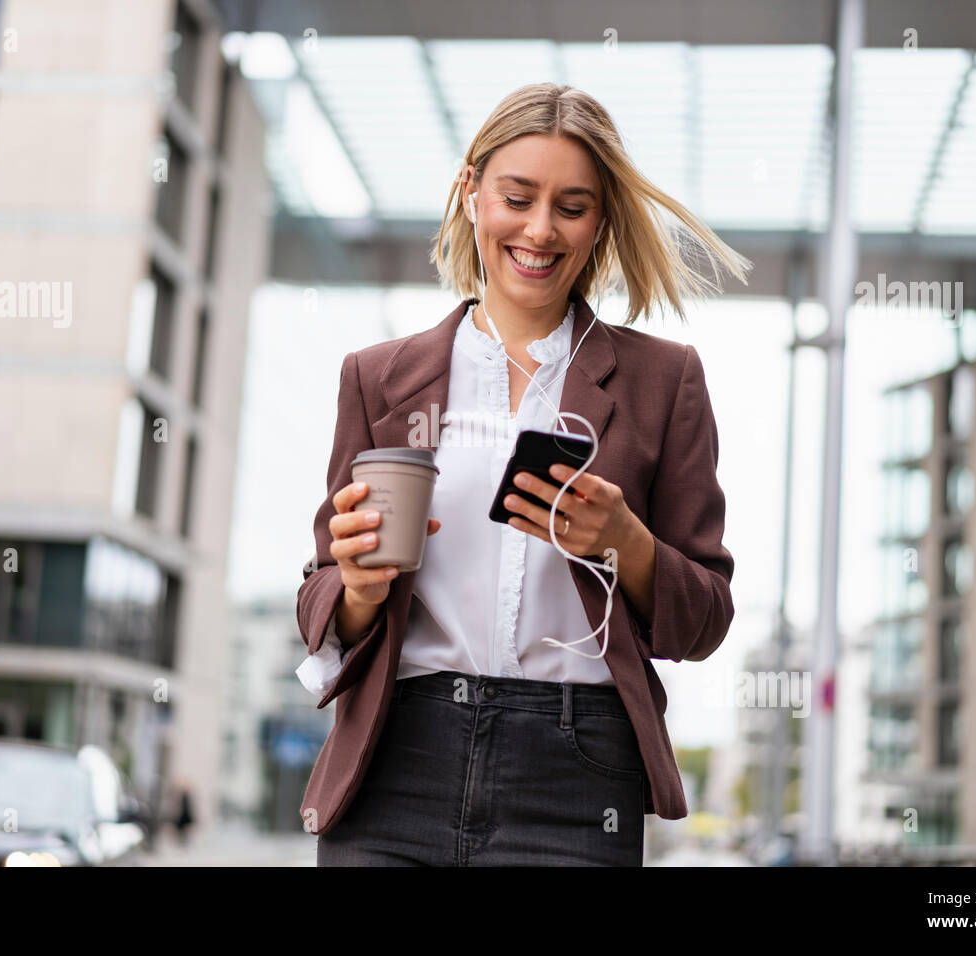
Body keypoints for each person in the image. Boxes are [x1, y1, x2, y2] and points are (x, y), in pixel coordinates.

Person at [296, 82, 749, 866]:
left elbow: (706, 618)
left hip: (575, 774)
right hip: (398, 756)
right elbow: (318, 590)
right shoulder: (378, 378)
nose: (540, 229)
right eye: (517, 196)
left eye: (572, 207)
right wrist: (358, 592)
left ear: (600, 222)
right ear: (471, 194)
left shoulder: (662, 382)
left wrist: (629, 546)